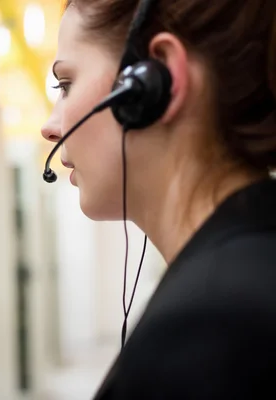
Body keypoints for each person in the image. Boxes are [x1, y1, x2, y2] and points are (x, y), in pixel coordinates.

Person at [41, 0, 276, 398]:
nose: (50, 127)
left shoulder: (210, 326)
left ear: (157, 77)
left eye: (66, 84)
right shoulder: (251, 263)